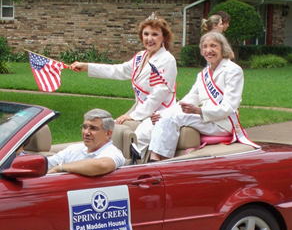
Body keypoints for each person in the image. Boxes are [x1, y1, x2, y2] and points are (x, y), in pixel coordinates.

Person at [70, 12, 177, 159]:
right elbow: (118, 70)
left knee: (138, 136)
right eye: (146, 34)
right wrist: (87, 66)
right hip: (142, 109)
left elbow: (159, 94)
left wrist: (132, 116)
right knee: (110, 131)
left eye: (154, 34)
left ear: (163, 37)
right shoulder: (141, 56)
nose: (149, 38)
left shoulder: (167, 60)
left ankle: (131, 168)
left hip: (161, 112)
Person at [148, 32, 253, 161]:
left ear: (223, 48)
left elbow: (229, 107)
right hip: (205, 119)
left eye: (213, 46)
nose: (208, 50)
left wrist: (199, 111)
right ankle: (156, 158)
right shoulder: (204, 74)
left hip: (223, 122)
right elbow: (191, 97)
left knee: (175, 118)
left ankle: (158, 160)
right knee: (166, 116)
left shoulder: (233, 70)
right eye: (205, 46)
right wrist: (162, 114)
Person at [47, 108, 125, 176]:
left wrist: (60, 168)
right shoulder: (73, 149)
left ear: (108, 133)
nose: (86, 132)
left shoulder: (114, 153)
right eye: (85, 127)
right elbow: (47, 164)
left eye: (93, 128)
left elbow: (101, 166)